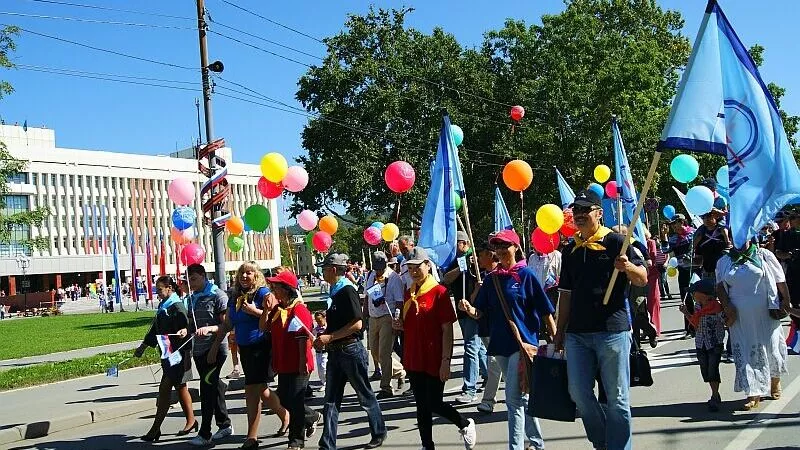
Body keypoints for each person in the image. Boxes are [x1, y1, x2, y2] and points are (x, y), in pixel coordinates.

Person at [554, 189, 647, 450]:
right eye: (577, 210)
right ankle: (602, 440)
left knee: (617, 398)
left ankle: (618, 446)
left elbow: (642, 277)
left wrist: (628, 267)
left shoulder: (617, 242)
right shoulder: (570, 250)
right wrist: (559, 332)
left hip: (612, 331)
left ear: (599, 213)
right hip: (577, 333)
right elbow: (566, 295)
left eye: (586, 210)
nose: (580, 214)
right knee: (578, 393)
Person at [460, 230, 554, 450]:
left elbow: (545, 310)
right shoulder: (491, 279)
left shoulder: (526, 275)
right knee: (521, 398)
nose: (501, 250)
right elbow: (480, 312)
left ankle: (516, 447)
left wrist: (556, 339)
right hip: (499, 344)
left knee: (513, 400)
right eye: (498, 246)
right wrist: (469, 309)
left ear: (516, 248)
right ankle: (537, 443)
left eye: (505, 245)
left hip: (522, 345)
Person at [394, 247, 477, 450]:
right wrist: (399, 325)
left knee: (434, 403)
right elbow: (411, 325)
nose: (414, 272)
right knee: (421, 406)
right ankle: (427, 445)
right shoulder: (409, 293)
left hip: (434, 357)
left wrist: (445, 361)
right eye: (410, 268)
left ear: (428, 266)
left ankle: (464, 423)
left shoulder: (439, 292)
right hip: (414, 357)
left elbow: (447, 329)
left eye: (417, 267)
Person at [208, 261, 289, 450]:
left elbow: (277, 317)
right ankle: (290, 416)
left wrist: (255, 311)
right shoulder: (235, 295)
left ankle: (251, 437)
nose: (244, 276)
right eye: (242, 273)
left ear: (256, 275)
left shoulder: (263, 293)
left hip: (261, 346)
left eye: (249, 273)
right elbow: (228, 323)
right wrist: (214, 343)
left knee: (251, 390)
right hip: (245, 349)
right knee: (262, 390)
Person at [312, 253, 387, 450]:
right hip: (336, 351)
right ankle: (327, 444)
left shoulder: (347, 290)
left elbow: (357, 324)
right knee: (330, 400)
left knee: (365, 396)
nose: (322, 272)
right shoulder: (335, 290)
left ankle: (379, 432)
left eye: (324, 269)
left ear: (333, 270)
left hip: (350, 350)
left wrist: (330, 337)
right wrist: (324, 337)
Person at [716, 241, 790, 410]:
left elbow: (780, 279)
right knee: (745, 350)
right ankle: (753, 392)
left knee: (771, 347)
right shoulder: (724, 261)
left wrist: (786, 300)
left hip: (765, 312)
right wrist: (726, 305)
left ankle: (775, 380)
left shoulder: (763, 255)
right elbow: (720, 286)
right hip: (739, 316)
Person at [264, 270, 322, 450]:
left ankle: (296, 440)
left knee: (295, 402)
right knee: (284, 399)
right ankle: (312, 416)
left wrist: (302, 362)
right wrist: (265, 309)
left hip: (298, 363)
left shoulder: (299, 310)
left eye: (276, 287)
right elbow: (264, 327)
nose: (273, 290)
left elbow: (303, 338)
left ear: (286, 289)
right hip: (283, 363)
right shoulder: (278, 309)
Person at [134, 276, 196, 442]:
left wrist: (184, 334)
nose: (158, 293)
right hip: (167, 353)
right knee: (180, 387)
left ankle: (155, 428)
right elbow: (155, 331)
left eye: (160, 290)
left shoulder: (177, 306)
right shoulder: (164, 305)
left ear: (170, 288)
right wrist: (143, 347)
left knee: (164, 390)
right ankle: (191, 420)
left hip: (178, 354)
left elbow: (188, 327)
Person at [185, 264, 233, 446]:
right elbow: (192, 325)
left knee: (206, 389)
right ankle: (225, 424)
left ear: (203, 276)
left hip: (215, 349)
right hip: (199, 349)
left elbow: (226, 325)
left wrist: (212, 335)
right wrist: (185, 331)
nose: (191, 283)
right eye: (188, 280)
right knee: (214, 385)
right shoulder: (192, 298)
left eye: (194, 279)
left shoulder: (217, 295)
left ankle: (205, 433)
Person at [441, 231, 486, 404]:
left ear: (465, 243)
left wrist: (473, 265)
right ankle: (489, 374)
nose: (453, 246)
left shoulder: (476, 259)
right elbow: (446, 279)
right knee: (478, 347)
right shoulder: (454, 261)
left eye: (456, 243)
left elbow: (482, 281)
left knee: (471, 347)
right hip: (461, 310)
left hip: (475, 310)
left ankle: (469, 389)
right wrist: (461, 268)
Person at [679, 278, 727, 412]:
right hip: (701, 343)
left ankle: (715, 395)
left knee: (713, 369)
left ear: (703, 295)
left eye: (694, 293)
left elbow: (727, 321)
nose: (692, 295)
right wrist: (686, 313)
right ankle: (714, 393)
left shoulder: (717, 308)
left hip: (714, 344)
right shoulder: (698, 307)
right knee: (705, 370)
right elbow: (696, 324)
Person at [365, 250, 406, 399]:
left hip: (388, 317)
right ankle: (400, 371)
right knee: (375, 352)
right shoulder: (370, 275)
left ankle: (386, 387)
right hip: (373, 317)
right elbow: (367, 297)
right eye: (376, 268)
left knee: (384, 353)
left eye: (380, 268)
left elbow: (399, 301)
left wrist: (397, 320)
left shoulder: (394, 278)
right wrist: (364, 316)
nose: (378, 271)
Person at [474, 243, 502, 414]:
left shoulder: (501, 275)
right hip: (484, 326)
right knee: (498, 364)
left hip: (498, 327)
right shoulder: (482, 276)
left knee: (494, 363)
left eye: (481, 255)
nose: (478, 258)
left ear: (491, 255)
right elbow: (475, 305)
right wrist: (478, 289)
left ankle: (488, 400)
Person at [665, 213, 697, 338]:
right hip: (683, 271)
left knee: (698, 298)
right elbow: (665, 250)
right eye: (671, 224)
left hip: (695, 269)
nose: (673, 226)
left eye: (674, 223)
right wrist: (664, 236)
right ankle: (690, 328)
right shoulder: (673, 238)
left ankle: (702, 324)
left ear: (682, 222)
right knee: (685, 299)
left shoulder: (693, 233)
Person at [645, 229, 663, 336]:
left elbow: (653, 257)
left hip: (651, 275)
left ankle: (655, 328)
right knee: (643, 305)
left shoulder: (650, 242)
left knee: (653, 302)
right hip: (642, 275)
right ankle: (647, 328)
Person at [312, 311, 328, 391]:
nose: (318, 322)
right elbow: (312, 338)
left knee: (324, 367)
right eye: (317, 321)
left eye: (320, 320)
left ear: (324, 318)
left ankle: (326, 383)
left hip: (326, 352)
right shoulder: (316, 330)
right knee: (320, 369)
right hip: (318, 352)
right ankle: (323, 381)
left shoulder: (327, 329)